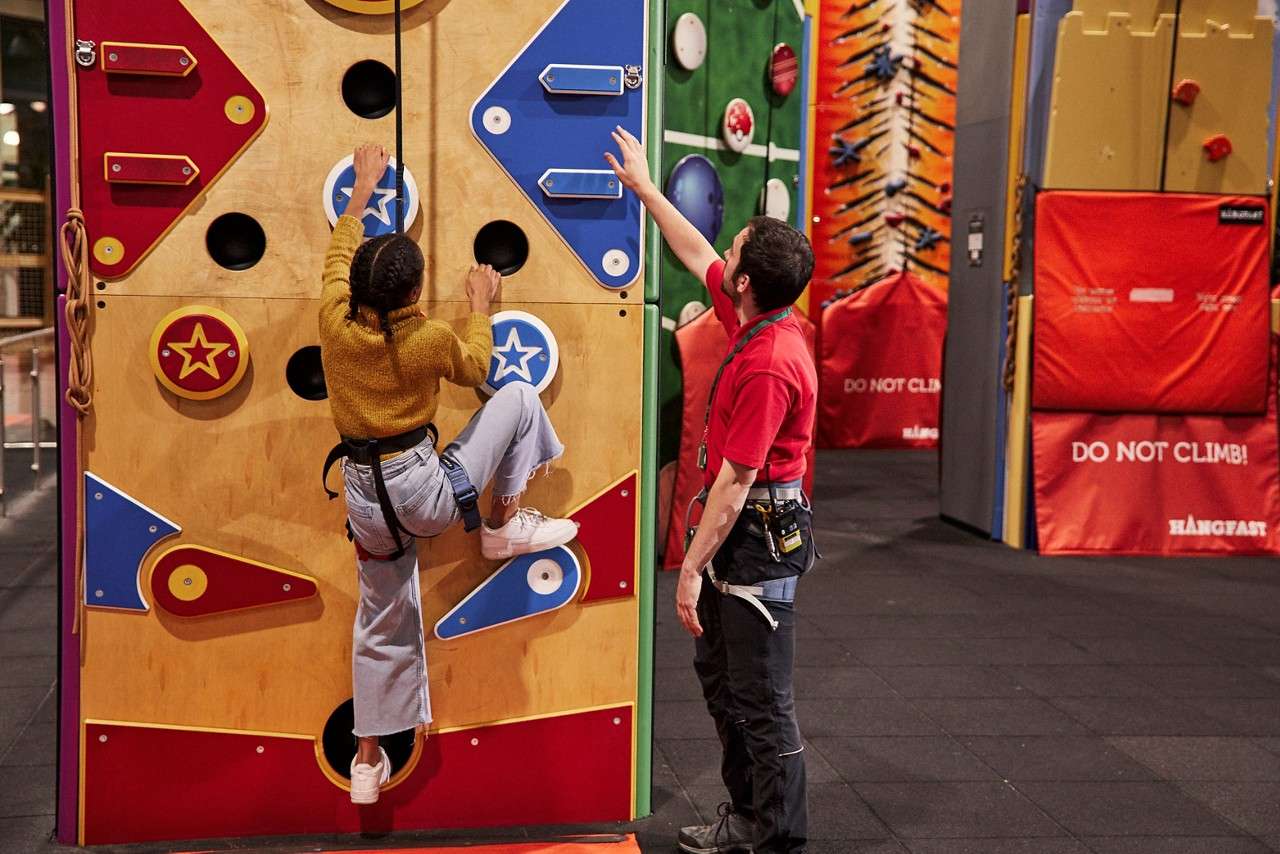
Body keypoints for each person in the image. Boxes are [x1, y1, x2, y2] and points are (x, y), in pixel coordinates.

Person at [320, 143, 578, 805]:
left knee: (380, 620)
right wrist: (479, 306)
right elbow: (476, 369)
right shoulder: (430, 337)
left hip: (365, 501)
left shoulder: (333, 323)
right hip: (424, 491)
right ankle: (502, 522)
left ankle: (368, 761)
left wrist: (362, 190)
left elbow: (336, 255)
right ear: (412, 292)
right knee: (518, 400)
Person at [607, 128, 818, 854]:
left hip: (754, 538)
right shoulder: (755, 317)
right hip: (746, 534)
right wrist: (645, 190)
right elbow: (696, 251)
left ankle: (776, 833)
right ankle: (752, 816)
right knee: (726, 682)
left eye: (736, 251)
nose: (722, 252)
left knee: (760, 697)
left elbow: (733, 484)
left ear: (746, 283)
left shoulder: (769, 364)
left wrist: (690, 569)